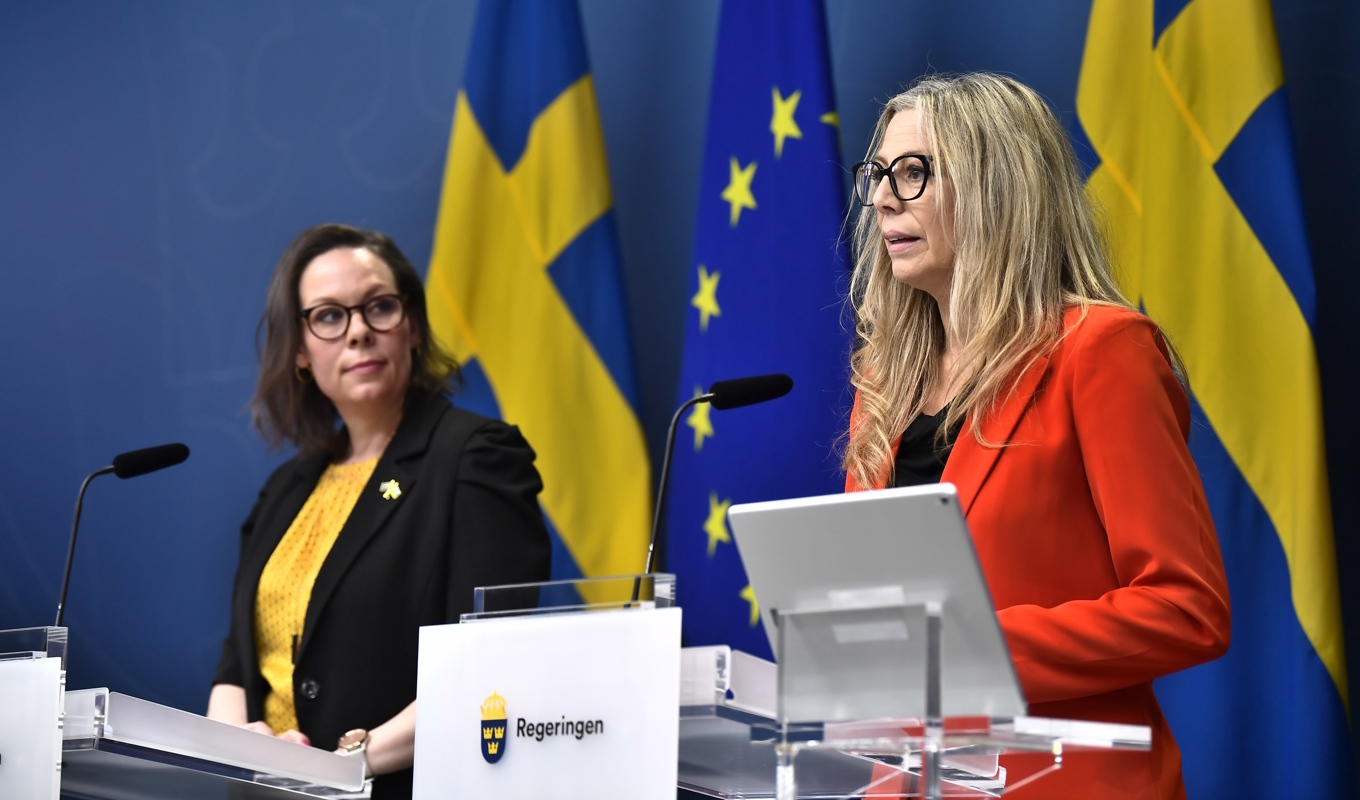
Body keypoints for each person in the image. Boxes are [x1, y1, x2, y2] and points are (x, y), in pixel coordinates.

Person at [843, 74, 1231, 799]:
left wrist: (977, 651)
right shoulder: (882, 385)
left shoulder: (1101, 350)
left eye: (914, 172)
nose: (884, 198)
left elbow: (1187, 608)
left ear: (999, 187)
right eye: (877, 175)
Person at [207, 224, 551, 798]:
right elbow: (233, 672)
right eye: (328, 316)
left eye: (379, 307)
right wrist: (240, 749)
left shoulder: (476, 458)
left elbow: (488, 663)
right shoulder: (283, 493)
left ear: (412, 326)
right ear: (298, 348)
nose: (359, 331)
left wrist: (346, 765)